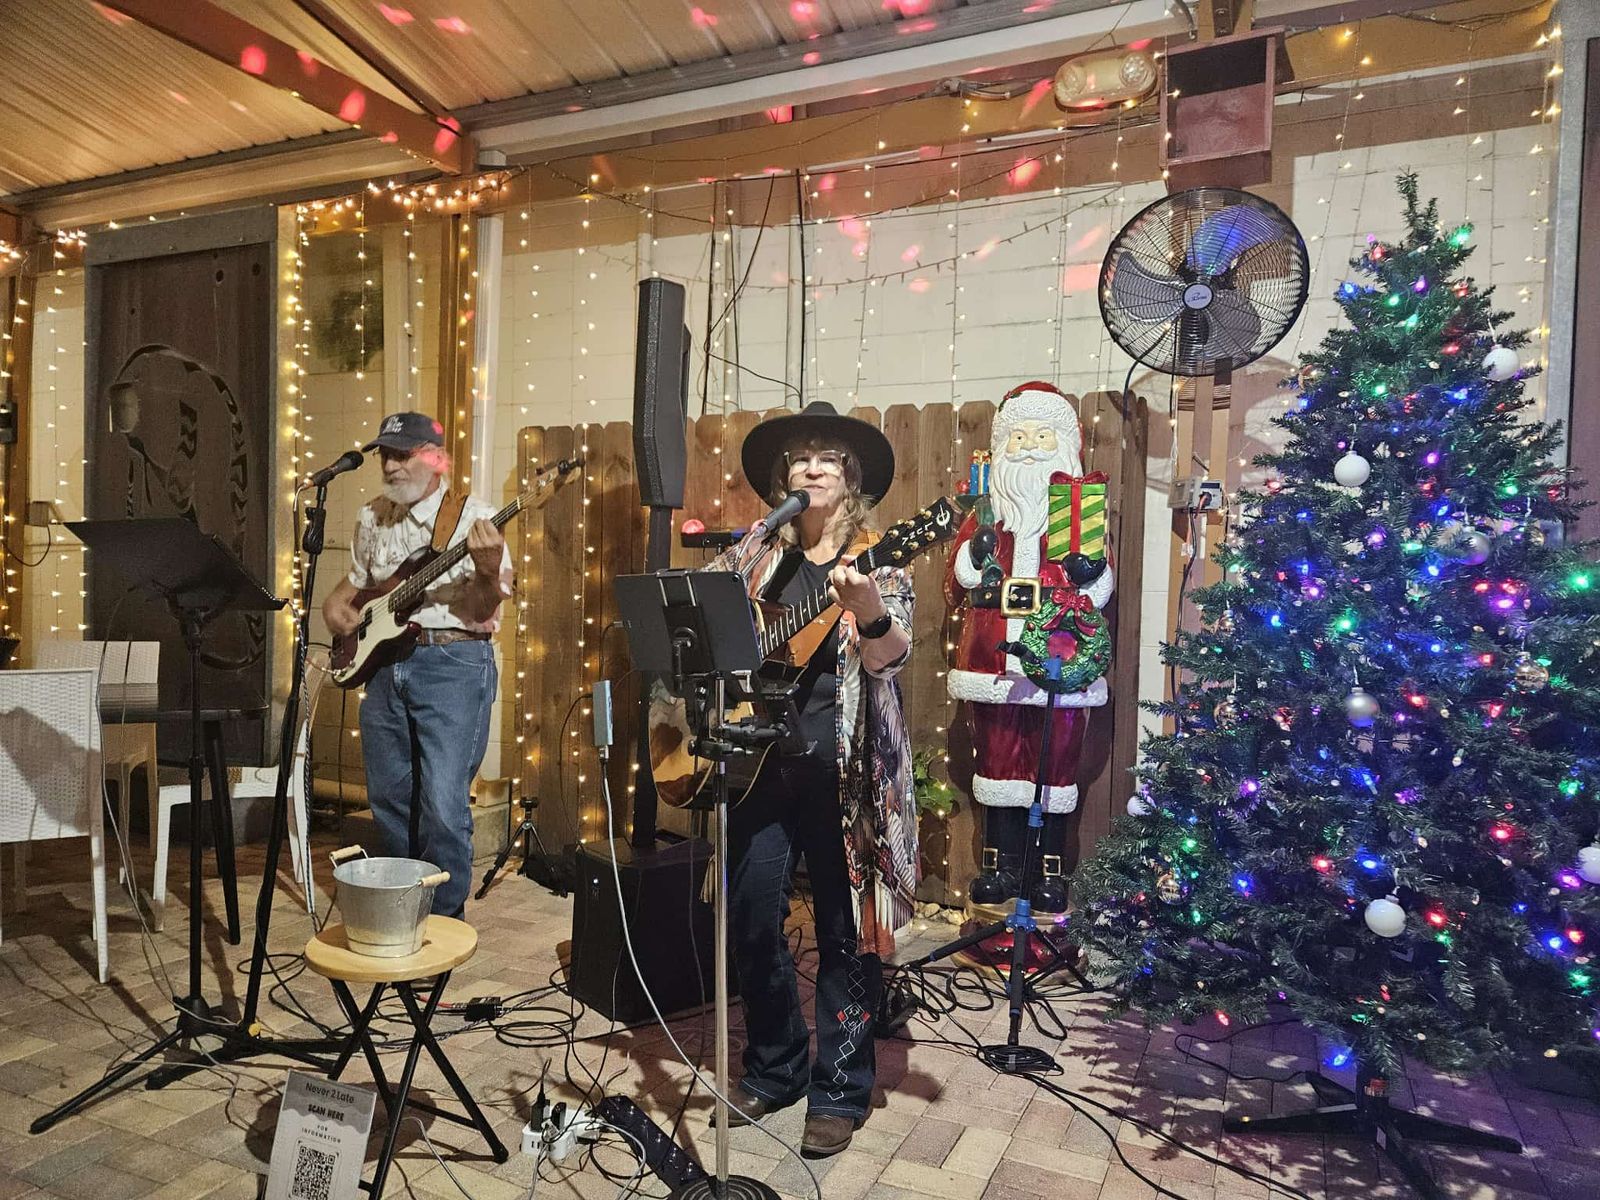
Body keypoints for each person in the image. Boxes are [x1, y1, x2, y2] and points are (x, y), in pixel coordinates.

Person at [709, 401, 919, 1158]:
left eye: (829, 457)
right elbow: (705, 639)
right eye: (801, 457)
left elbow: (891, 661)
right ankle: (775, 1065)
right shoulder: (753, 557)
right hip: (759, 767)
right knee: (750, 916)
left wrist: (869, 612)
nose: (813, 466)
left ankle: (840, 1088)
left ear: (852, 477)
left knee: (843, 932)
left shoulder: (880, 560)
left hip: (846, 775)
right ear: (783, 478)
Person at [322, 411, 512, 918]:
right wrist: (335, 605)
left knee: (443, 805)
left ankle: (444, 922)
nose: (390, 466)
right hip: (385, 664)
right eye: (385, 455)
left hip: (453, 661)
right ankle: (405, 912)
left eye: (402, 455)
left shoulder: (475, 518)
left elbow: (485, 610)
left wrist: (488, 569)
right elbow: (358, 585)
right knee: (389, 799)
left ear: (437, 459)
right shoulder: (371, 516)